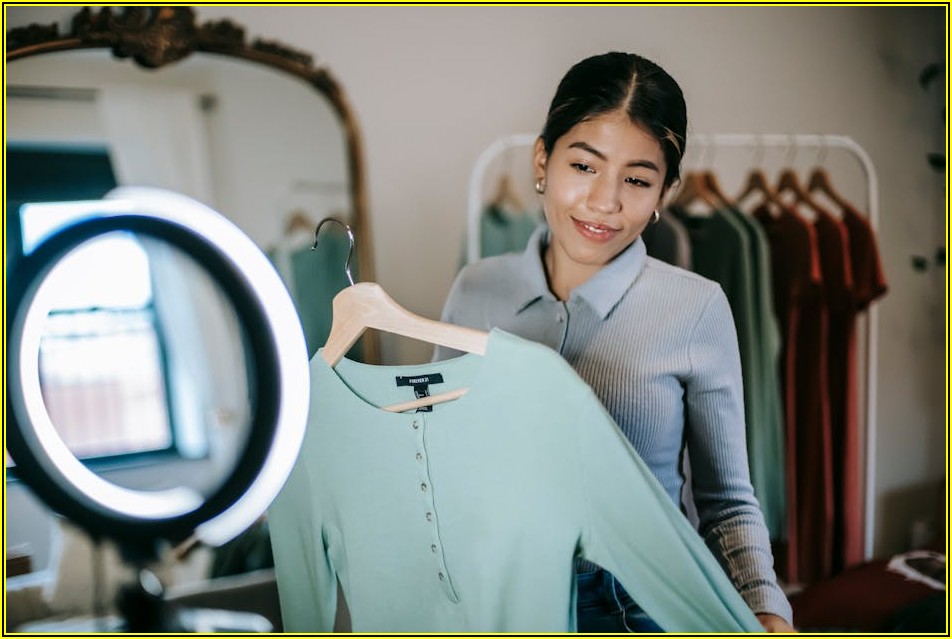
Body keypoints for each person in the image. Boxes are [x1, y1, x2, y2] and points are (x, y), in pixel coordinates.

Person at [434, 52, 795, 633]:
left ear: (663, 195)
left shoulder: (697, 307)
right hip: (494, 598)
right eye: (584, 166)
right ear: (542, 160)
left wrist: (765, 610)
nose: (605, 202)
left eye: (636, 179)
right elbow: (440, 458)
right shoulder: (475, 289)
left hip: (638, 607)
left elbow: (726, 503)